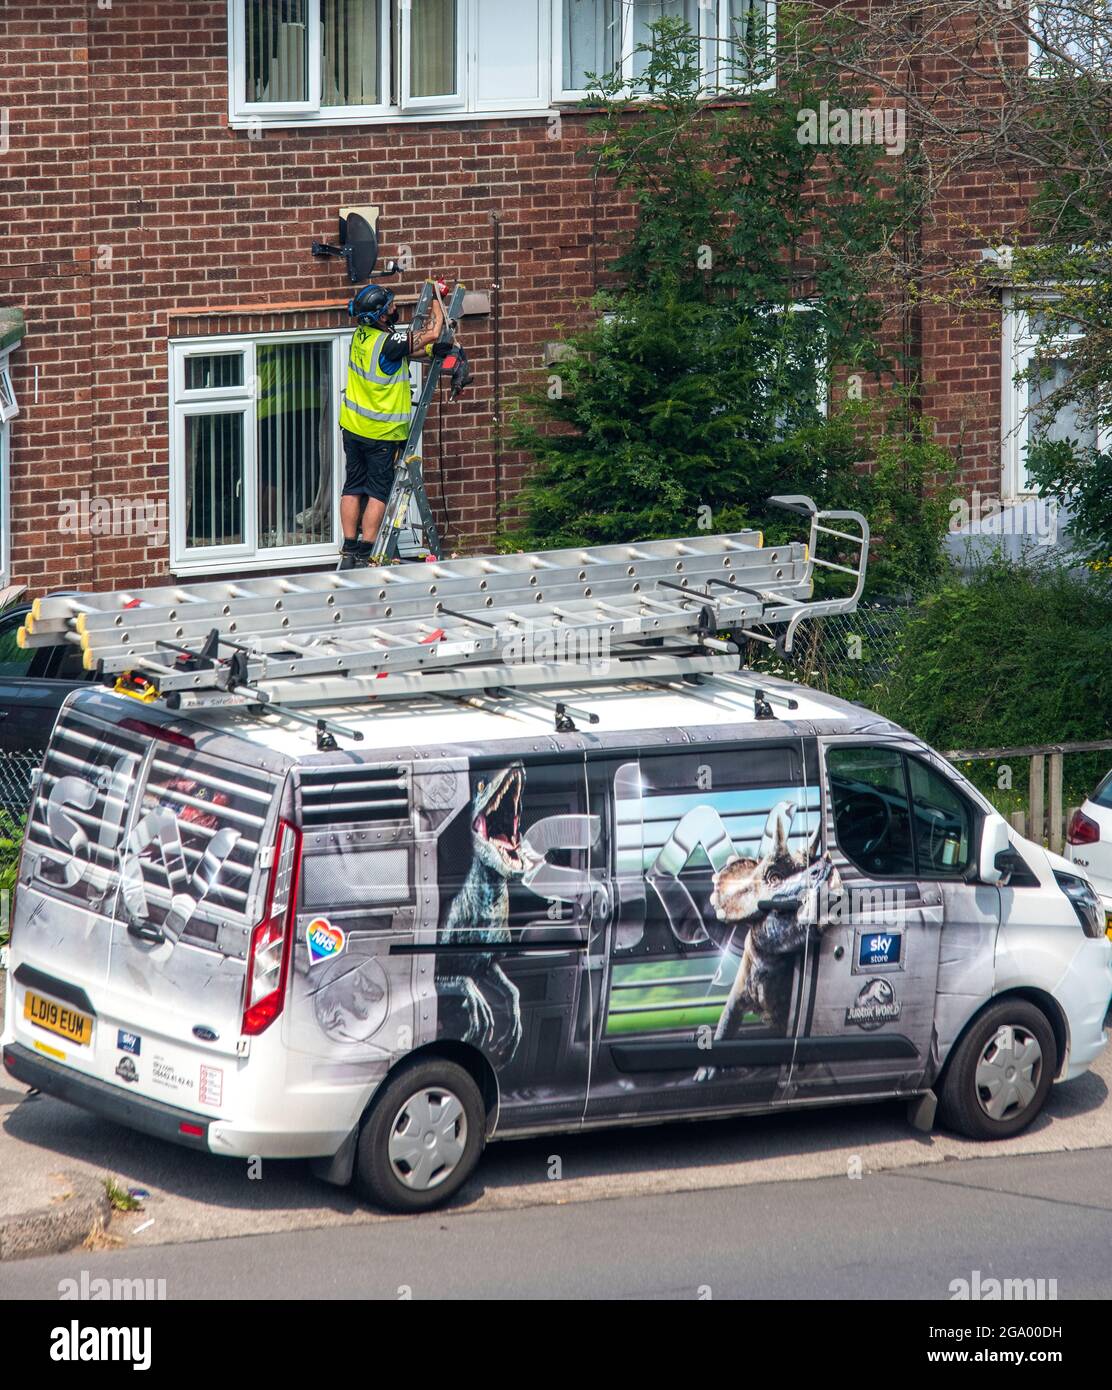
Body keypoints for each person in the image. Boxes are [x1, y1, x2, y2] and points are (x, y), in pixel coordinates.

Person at [337, 284, 444, 569]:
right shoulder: (388, 342)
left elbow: (404, 353)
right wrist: (438, 301)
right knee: (377, 492)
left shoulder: (362, 336)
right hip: (380, 434)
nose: (395, 309)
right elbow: (432, 333)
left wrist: (429, 350)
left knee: (352, 487)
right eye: (390, 306)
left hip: (353, 428)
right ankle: (366, 551)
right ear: (381, 315)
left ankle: (348, 549)